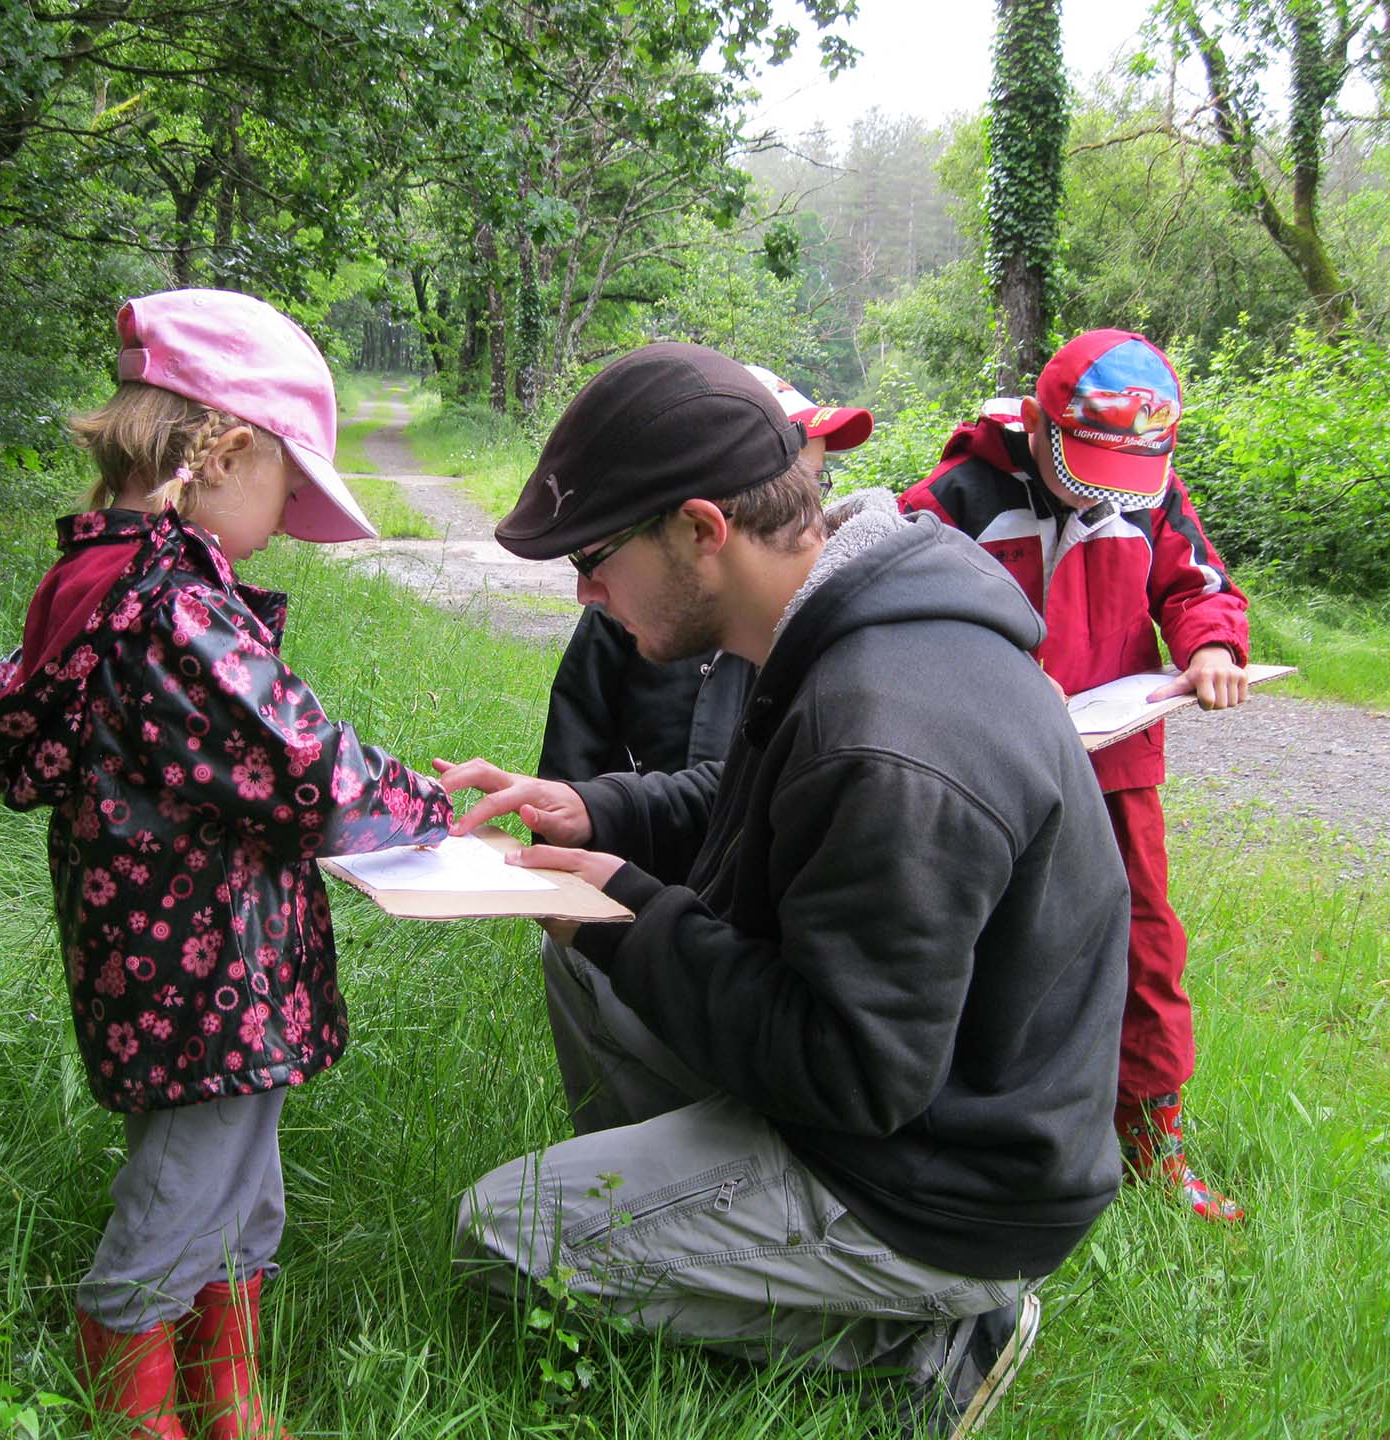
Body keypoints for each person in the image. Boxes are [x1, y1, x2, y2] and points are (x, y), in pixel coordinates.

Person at [436, 342, 1130, 1436]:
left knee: (508, 1231)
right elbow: (762, 814)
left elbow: (854, 1074)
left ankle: (922, 1334)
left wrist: (638, 919)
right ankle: (703, 1224)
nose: (585, 592)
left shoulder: (887, 732)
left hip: (936, 1188)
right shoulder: (836, 628)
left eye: (599, 556)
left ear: (703, 533)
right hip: (905, 1110)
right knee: (577, 948)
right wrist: (604, 816)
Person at [0, 288, 454, 1440]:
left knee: (237, 1193)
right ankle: (136, 1415)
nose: (286, 518)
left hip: (188, 970)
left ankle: (229, 1403)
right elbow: (296, 762)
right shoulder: (167, 609)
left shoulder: (118, 585)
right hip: (200, 978)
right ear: (225, 452)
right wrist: (425, 808)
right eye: (287, 484)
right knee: (180, 1203)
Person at [896, 329, 1250, 1224]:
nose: (1103, 498)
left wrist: (1210, 642)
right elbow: (891, 599)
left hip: (1117, 768)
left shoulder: (1150, 493)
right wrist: (998, 670)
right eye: (1084, 469)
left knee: (1144, 947)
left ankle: (1150, 1143)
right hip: (991, 770)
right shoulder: (957, 496)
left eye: (1122, 483)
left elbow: (1200, 582)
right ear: (1036, 425)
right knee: (975, 937)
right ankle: (961, 1123)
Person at [534, 365, 870, 788]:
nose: (805, 513)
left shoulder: (834, 662)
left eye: (816, 483)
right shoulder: (640, 600)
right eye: (790, 474)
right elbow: (575, 735)